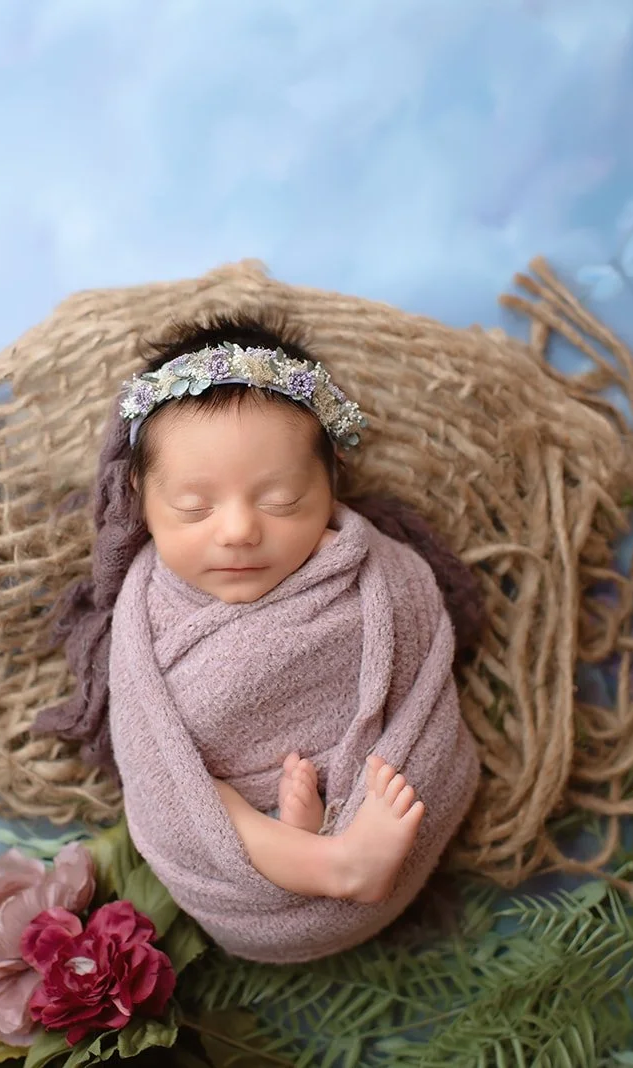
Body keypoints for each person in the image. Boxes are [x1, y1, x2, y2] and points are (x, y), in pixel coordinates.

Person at [38, 311, 483, 961]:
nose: (240, 531)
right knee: (189, 796)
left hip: (360, 791)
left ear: (331, 487)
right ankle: (328, 861)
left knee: (369, 785)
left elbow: (421, 686)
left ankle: (318, 831)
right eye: (194, 507)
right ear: (140, 496)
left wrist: (348, 788)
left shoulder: (373, 575)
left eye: (280, 502)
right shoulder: (142, 610)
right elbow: (152, 763)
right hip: (229, 846)